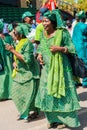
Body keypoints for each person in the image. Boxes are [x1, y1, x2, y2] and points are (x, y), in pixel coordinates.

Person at [35, 9, 81, 129]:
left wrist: (60, 49)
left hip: (62, 70)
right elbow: (41, 49)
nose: (44, 24)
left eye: (46, 21)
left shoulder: (62, 33)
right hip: (47, 70)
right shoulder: (42, 34)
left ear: (53, 22)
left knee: (62, 95)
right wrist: (39, 56)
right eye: (43, 21)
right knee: (47, 94)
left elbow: (72, 48)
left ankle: (64, 121)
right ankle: (52, 119)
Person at [5, 24, 40, 120]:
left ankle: (32, 112)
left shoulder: (27, 43)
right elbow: (16, 56)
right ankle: (24, 111)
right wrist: (14, 62)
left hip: (29, 72)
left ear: (20, 33)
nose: (13, 34)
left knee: (29, 94)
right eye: (12, 32)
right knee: (15, 92)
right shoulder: (18, 42)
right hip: (20, 72)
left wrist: (13, 50)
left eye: (15, 32)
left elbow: (27, 60)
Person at [72, 11, 87, 88]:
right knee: (85, 63)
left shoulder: (76, 26)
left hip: (75, 46)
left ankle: (76, 81)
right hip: (83, 47)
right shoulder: (84, 27)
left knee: (76, 63)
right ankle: (85, 82)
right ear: (84, 18)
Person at [0, 20, 13, 100]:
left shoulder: (7, 36)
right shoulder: (8, 36)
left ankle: (3, 94)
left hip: (3, 59)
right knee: (8, 74)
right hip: (7, 59)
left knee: (3, 75)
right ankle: (8, 93)